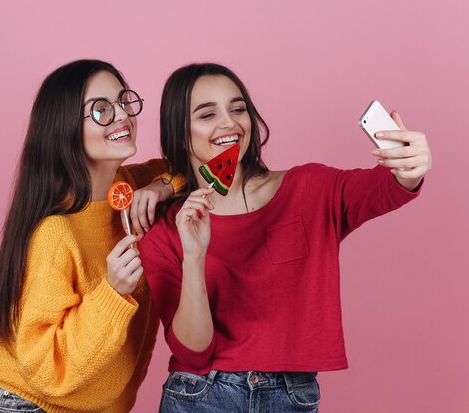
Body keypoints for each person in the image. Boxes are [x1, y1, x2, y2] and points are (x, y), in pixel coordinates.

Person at [138, 63, 432, 413]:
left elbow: (387, 188)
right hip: (199, 395)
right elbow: (193, 352)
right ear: (181, 134)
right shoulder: (162, 229)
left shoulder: (309, 189)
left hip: (292, 397)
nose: (229, 123)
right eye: (207, 114)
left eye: (237, 108)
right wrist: (194, 256)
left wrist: (410, 166)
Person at [0, 59, 184, 413]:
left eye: (123, 101)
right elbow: (45, 368)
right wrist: (113, 292)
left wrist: (162, 186)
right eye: (101, 110)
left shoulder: (129, 186)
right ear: (65, 128)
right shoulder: (55, 232)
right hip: (33, 404)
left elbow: (191, 166)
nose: (122, 115)